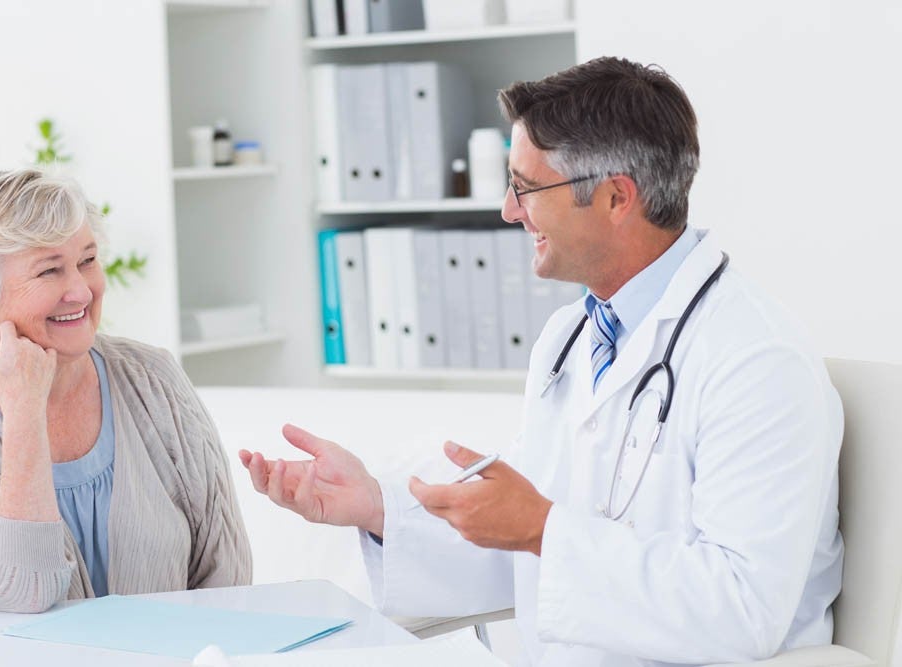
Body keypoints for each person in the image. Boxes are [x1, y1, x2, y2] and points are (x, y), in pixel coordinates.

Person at [240, 57, 843, 666]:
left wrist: (542, 529)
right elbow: (524, 548)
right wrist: (376, 506)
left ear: (614, 197)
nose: (508, 209)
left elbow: (745, 609)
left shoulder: (755, 361)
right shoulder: (570, 338)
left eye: (526, 186)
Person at [0, 169, 252, 613]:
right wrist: (25, 409)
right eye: (50, 270)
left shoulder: (154, 379)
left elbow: (227, 573)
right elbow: (18, 593)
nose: (81, 291)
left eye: (87, 261)